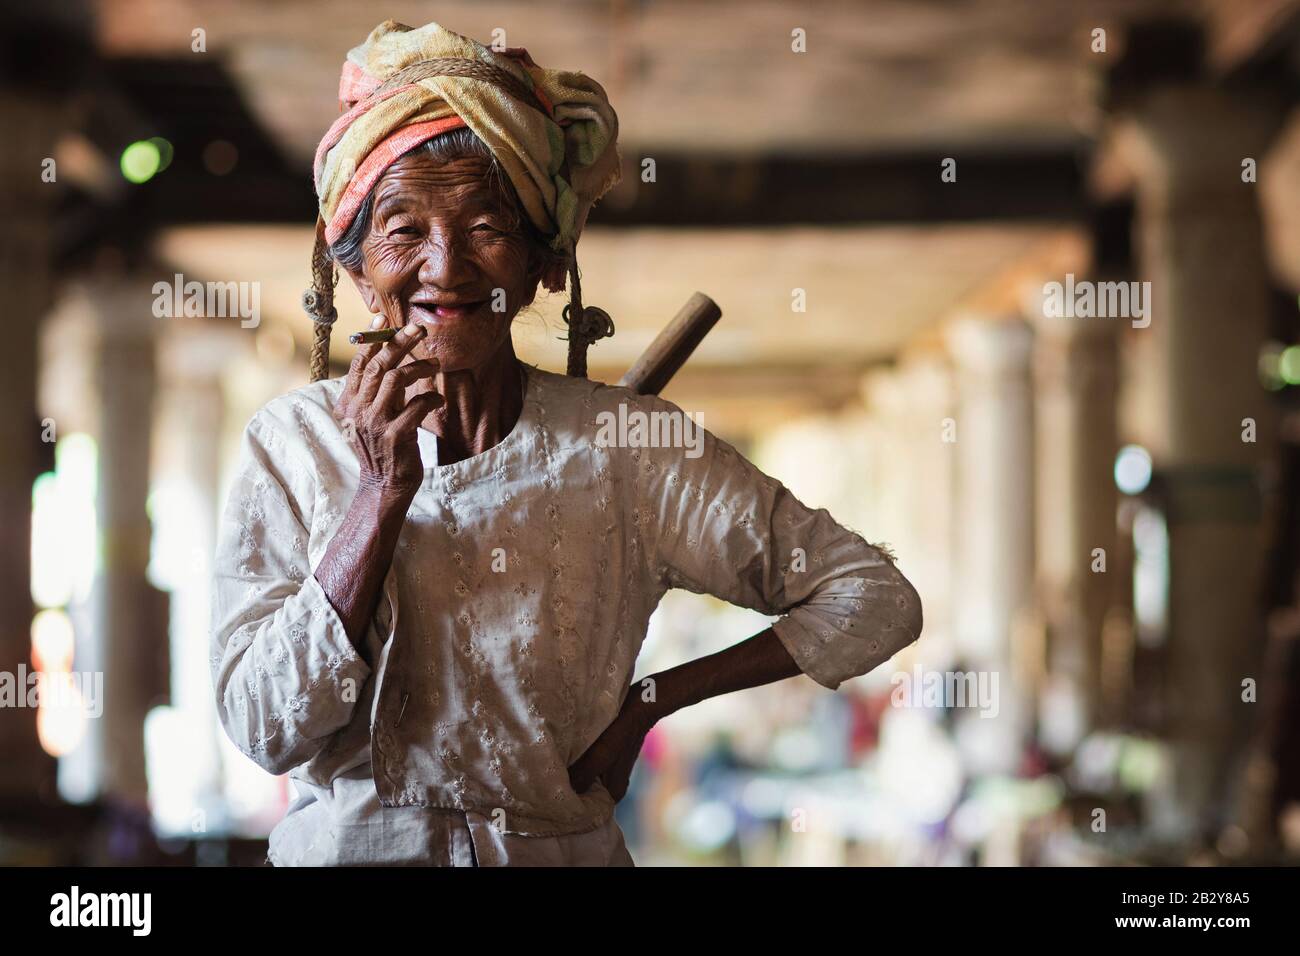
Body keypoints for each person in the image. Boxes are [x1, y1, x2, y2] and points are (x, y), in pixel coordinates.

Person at [210, 19, 923, 866]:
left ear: (543, 265)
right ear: (360, 274)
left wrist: (651, 700)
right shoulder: (291, 447)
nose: (447, 266)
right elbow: (263, 729)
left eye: (486, 227)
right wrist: (378, 495)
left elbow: (871, 598)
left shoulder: (624, 447)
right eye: (403, 230)